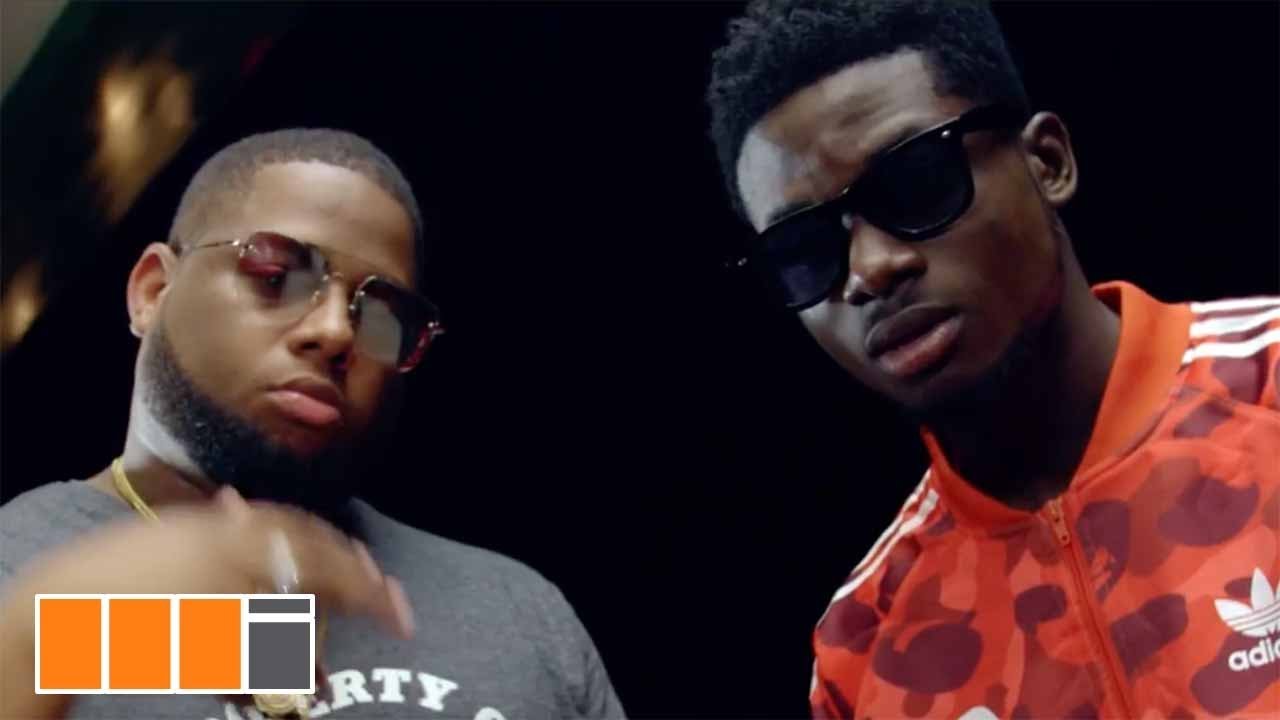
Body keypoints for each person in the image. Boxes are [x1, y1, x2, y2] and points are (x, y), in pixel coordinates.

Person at [706, 1, 1279, 717]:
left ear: (1048, 162)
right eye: (803, 249)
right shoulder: (864, 649)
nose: (869, 270)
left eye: (915, 182)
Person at [0, 129, 624, 720]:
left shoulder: (513, 612)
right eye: (277, 278)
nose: (335, 331)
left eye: (382, 316)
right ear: (153, 291)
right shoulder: (15, 574)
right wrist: (37, 641)